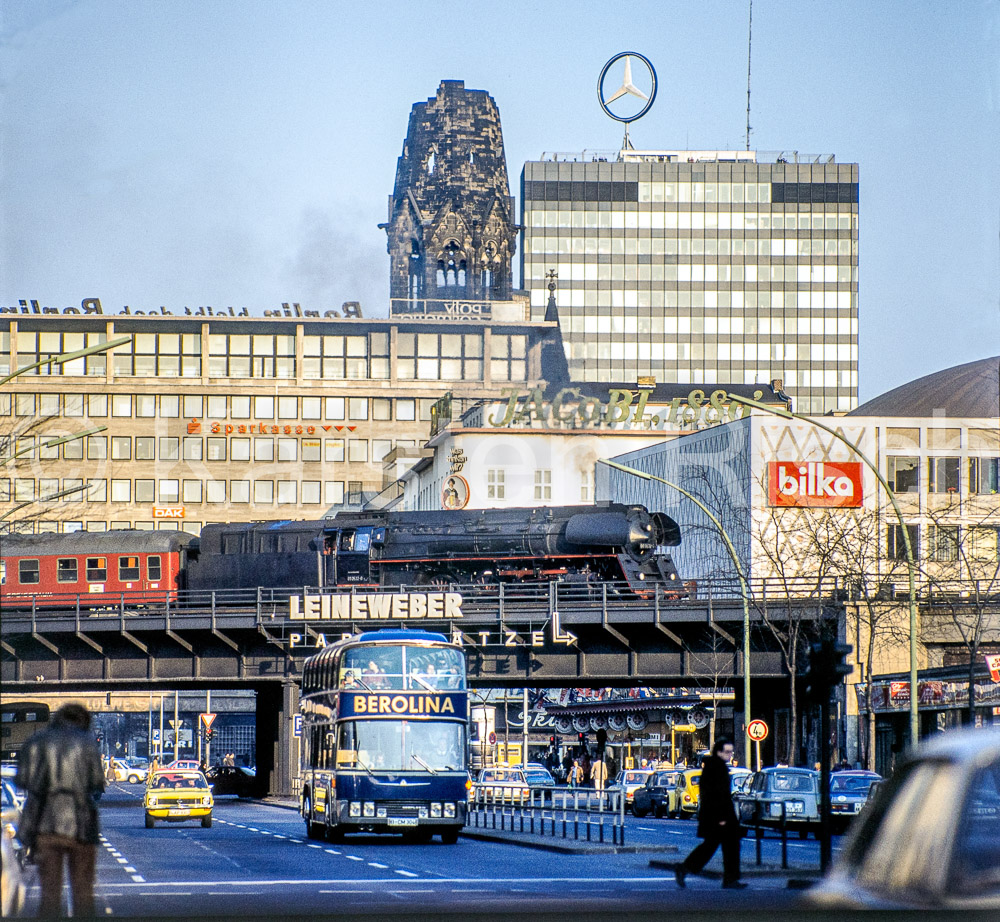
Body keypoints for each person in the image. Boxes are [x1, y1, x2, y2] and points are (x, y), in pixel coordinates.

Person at [16, 703, 105, 918]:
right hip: (81, 825)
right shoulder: (87, 742)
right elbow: (96, 782)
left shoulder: (36, 741)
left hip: (45, 824)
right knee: (83, 892)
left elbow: (22, 780)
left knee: (49, 893)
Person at [673, 737, 745, 890]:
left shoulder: (715, 767)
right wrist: (722, 817)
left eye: (731, 752)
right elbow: (715, 794)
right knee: (724, 846)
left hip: (716, 814)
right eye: (727, 752)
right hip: (719, 815)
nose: (729, 755)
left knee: (715, 846)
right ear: (719, 752)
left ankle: (686, 868)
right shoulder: (716, 768)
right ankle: (729, 878)